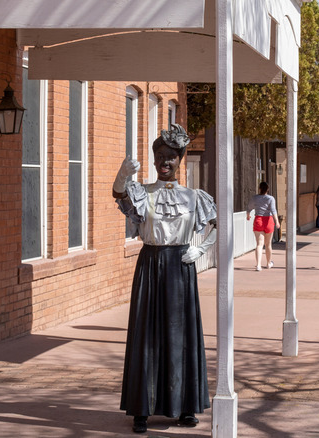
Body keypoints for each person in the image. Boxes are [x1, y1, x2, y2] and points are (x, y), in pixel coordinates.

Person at [112, 124, 216, 434]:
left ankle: (184, 406)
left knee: (181, 337)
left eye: (171, 157)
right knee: (147, 335)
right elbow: (119, 195)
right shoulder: (142, 192)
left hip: (181, 267)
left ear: (180, 160)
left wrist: (202, 250)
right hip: (151, 264)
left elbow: (217, 226)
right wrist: (122, 174)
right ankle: (142, 409)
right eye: (160, 156)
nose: (164, 162)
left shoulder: (193, 196)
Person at [246, 181, 281, 271]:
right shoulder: (271, 198)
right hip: (268, 221)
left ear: (259, 189)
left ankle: (258, 265)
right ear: (267, 189)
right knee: (268, 244)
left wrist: (248, 214)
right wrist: (277, 221)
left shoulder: (255, 198)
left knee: (259, 244)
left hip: (258, 220)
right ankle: (269, 263)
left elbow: (249, 207)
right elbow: (273, 210)